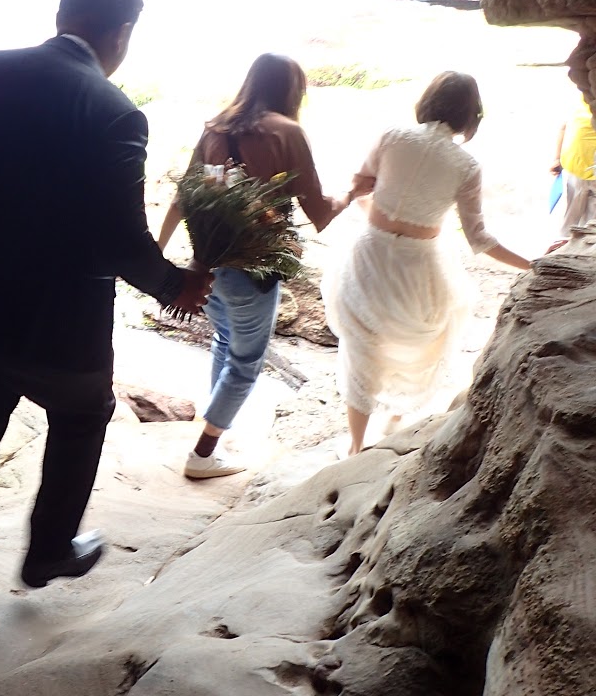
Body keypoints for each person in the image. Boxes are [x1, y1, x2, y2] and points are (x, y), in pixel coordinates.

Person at [0, 0, 209, 635]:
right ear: (122, 33)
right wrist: (174, 285)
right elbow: (118, 238)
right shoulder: (114, 111)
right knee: (82, 416)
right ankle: (47, 551)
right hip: (59, 330)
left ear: (62, 14)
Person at [157, 53, 363, 479]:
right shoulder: (287, 132)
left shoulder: (216, 126)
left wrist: (156, 254)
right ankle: (203, 453)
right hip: (253, 268)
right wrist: (352, 194)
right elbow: (319, 213)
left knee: (224, 341)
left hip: (205, 264)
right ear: (291, 90)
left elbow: (184, 197)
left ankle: (215, 429)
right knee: (247, 360)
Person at [322, 71, 531, 456]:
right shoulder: (466, 166)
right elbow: (480, 240)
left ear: (428, 100)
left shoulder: (392, 136)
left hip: (370, 255)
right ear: (470, 114)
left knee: (363, 349)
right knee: (422, 344)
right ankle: (395, 418)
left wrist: (375, 211)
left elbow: (360, 185)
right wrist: (533, 265)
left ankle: (355, 445)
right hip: (419, 268)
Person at [551, 96, 596, 239]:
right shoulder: (580, 102)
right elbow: (563, 127)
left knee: (591, 222)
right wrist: (556, 158)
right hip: (575, 172)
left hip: (591, 176)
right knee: (571, 218)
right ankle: (563, 244)